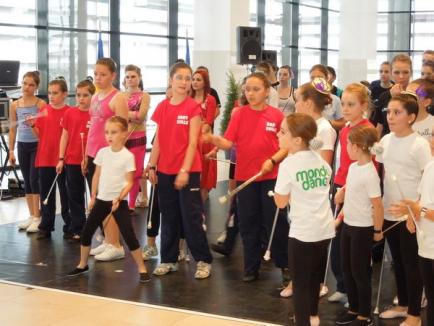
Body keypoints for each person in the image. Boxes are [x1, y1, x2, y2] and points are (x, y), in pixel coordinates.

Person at [203, 72, 289, 284]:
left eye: (256, 89)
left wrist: (272, 160)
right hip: (245, 178)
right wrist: (214, 140)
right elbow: (229, 142)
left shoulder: (277, 116)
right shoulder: (239, 114)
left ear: (267, 91)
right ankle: (251, 267)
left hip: (271, 178)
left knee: (275, 224)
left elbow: (286, 147)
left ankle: (285, 265)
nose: (250, 93)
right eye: (247, 89)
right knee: (249, 224)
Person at [147, 62, 213, 279]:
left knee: (191, 217)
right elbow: (158, 141)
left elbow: (193, 142)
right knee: (169, 216)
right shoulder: (162, 107)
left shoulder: (193, 108)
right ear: (170, 80)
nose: (185, 82)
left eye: (188, 78)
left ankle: (203, 260)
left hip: (188, 170)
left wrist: (184, 170)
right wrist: (151, 165)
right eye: (180, 78)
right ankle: (168, 259)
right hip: (164, 171)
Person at [67, 116, 150, 283]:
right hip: (101, 201)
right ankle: (83, 264)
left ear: (124, 134)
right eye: (107, 132)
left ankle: (142, 268)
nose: (109, 136)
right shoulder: (102, 153)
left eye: (113, 132)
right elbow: (96, 175)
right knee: (86, 233)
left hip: (118, 202)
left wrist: (119, 197)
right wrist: (93, 196)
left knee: (129, 235)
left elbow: (129, 182)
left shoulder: (127, 156)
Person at [274, 112, 335, 326]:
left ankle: (303, 321)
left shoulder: (288, 165)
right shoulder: (321, 161)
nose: (278, 134)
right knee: (314, 277)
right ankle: (313, 315)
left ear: (297, 139)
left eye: (282, 131)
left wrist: (283, 195)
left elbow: (281, 203)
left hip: (303, 231)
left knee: (299, 283)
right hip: (325, 229)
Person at [376, 93, 431, 326]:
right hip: (390, 211)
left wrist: (415, 210)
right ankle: (404, 304)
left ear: (410, 117)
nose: (390, 116)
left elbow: (428, 179)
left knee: (411, 264)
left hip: (411, 216)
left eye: (397, 112)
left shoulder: (419, 145)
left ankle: (415, 315)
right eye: (388, 112)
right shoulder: (386, 140)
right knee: (397, 261)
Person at [328, 83, 377, 304]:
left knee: (356, 252)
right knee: (339, 246)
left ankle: (357, 292)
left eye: (351, 104)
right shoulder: (345, 128)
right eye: (344, 104)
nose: (345, 108)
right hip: (339, 185)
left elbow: (369, 167)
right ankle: (343, 286)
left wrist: (347, 190)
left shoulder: (368, 130)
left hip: (356, 193)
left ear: (363, 106)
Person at [334, 125, 384, 326]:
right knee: (347, 268)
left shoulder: (370, 173)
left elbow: (377, 205)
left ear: (356, 147)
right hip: (348, 225)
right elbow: (350, 191)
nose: (345, 147)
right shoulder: (354, 168)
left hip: (363, 229)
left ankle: (365, 314)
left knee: (360, 272)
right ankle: (353, 308)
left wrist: (377, 230)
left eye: (347, 143)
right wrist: (342, 195)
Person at [84, 57, 129, 261]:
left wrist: (116, 157)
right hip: (95, 153)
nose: (98, 78)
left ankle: (116, 244)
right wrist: (86, 154)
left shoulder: (117, 97)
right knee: (99, 201)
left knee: (108, 200)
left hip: (109, 155)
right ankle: (108, 240)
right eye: (96, 74)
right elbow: (92, 127)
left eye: (102, 74)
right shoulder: (95, 96)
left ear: (113, 75)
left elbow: (123, 129)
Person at [389, 128, 434, 326]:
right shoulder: (431, 166)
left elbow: (424, 207)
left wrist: (418, 210)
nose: (431, 141)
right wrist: (411, 213)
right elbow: (422, 198)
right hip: (426, 246)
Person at [29, 78, 71, 239]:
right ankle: (46, 226)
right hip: (45, 157)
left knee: (66, 193)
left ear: (64, 94)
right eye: (49, 93)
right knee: (46, 194)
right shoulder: (44, 110)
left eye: (55, 93)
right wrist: (33, 125)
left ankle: (70, 226)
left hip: (62, 159)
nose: (51, 96)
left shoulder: (69, 112)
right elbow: (40, 135)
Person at [56, 78, 95, 241]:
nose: (81, 99)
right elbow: (64, 136)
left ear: (93, 96)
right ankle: (78, 228)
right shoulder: (69, 113)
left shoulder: (96, 114)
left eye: (85, 95)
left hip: (93, 160)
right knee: (75, 196)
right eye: (78, 95)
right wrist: (60, 158)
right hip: (72, 160)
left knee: (97, 196)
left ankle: (105, 230)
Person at [8, 71, 46, 233]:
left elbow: (44, 130)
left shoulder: (40, 104)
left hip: (36, 145)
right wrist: (11, 150)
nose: (27, 87)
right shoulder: (15, 105)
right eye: (24, 83)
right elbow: (12, 129)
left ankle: (38, 216)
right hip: (22, 145)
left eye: (31, 84)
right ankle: (31, 215)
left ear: (36, 87)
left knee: (34, 178)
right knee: (27, 180)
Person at [122, 64, 150, 212]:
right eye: (127, 77)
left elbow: (141, 116)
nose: (130, 79)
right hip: (122, 138)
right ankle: (122, 201)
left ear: (139, 78)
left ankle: (131, 205)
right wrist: (132, 114)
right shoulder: (120, 96)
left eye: (133, 76)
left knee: (135, 172)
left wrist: (127, 114)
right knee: (123, 172)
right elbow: (117, 116)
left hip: (138, 137)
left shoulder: (145, 96)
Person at [191, 69, 217, 202]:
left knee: (204, 174)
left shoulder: (210, 99)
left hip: (204, 141)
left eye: (198, 80)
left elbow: (208, 122)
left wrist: (196, 129)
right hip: (189, 140)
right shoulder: (188, 98)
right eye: (193, 79)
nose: (195, 82)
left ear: (205, 82)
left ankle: (202, 206)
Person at [371, 54, 413, 138]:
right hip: (388, 144)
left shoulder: (419, 93)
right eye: (397, 72)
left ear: (411, 72)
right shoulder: (383, 96)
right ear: (391, 73)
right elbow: (379, 126)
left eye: (405, 72)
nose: (401, 76)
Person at [309, 64, 345, 130]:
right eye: (312, 77)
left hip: (327, 137)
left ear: (326, 79)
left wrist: (327, 123)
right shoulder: (303, 98)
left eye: (319, 77)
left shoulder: (335, 100)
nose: (316, 80)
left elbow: (342, 123)